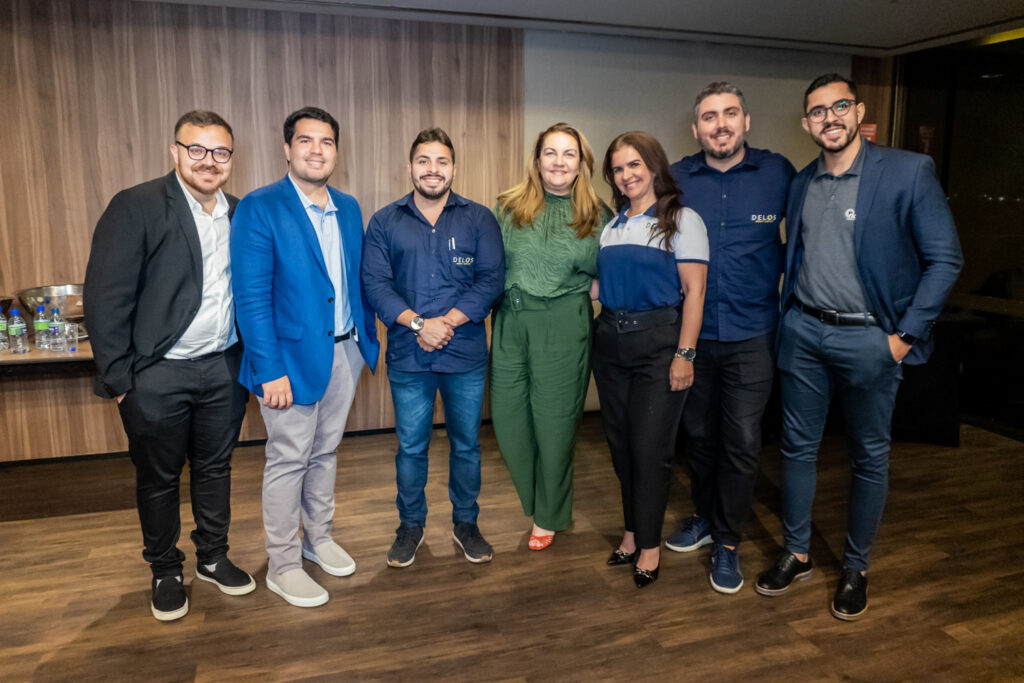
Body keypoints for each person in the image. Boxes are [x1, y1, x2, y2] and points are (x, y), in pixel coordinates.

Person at [754, 74, 962, 620]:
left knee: (868, 456)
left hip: (871, 339)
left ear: (858, 110)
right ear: (807, 124)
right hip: (803, 332)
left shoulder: (907, 172)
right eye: (818, 111)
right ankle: (796, 553)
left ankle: (855, 567)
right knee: (796, 450)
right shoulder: (801, 182)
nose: (830, 118)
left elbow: (946, 260)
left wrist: (902, 339)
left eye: (839, 106)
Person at [84, 110, 254, 622]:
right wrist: (120, 380)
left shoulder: (242, 213)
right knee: (157, 477)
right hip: (156, 374)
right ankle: (164, 569)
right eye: (197, 149)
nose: (209, 161)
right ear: (175, 151)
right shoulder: (135, 206)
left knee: (215, 467)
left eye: (220, 152)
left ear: (231, 159)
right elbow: (105, 296)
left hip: (224, 368)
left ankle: (213, 555)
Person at [230, 107, 380, 608]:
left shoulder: (349, 207)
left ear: (337, 150)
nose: (317, 150)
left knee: (326, 452)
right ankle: (283, 563)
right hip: (288, 362)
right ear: (287, 149)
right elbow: (250, 297)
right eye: (306, 141)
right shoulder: (260, 206)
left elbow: (355, 281)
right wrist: (268, 369)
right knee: (288, 459)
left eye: (327, 142)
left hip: (344, 353)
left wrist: (365, 342)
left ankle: (318, 538)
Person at [666, 82, 796, 594]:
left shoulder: (778, 173)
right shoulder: (676, 178)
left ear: (746, 121)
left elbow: (803, 242)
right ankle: (703, 515)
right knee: (699, 437)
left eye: (729, 114)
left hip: (752, 334)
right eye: (708, 116)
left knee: (741, 441)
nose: (719, 124)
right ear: (696, 128)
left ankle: (727, 542)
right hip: (692, 334)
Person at [362, 127, 504, 568]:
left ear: (454, 168)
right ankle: (410, 526)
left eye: (441, 161)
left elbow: (490, 281)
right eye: (424, 160)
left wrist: (448, 323)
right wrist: (422, 324)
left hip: (463, 356)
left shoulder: (479, 219)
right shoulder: (385, 222)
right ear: (410, 167)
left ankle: (466, 523)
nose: (432, 169)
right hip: (409, 356)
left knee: (466, 445)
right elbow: (376, 285)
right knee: (411, 447)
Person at [593, 131, 708, 588]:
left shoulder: (681, 219)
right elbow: (602, 288)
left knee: (649, 451)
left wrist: (685, 354)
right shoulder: (612, 225)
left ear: (654, 167)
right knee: (622, 450)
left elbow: (695, 292)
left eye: (635, 165)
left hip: (659, 346)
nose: (626, 175)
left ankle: (650, 545)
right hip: (611, 344)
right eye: (619, 169)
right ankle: (631, 532)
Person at [490, 123, 611, 551]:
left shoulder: (599, 215)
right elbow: (491, 269)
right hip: (511, 319)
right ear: (536, 159)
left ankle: (550, 513)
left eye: (569, 154)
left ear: (582, 164)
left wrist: (583, 289)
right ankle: (537, 498)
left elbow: (611, 277)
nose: (559, 162)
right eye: (550, 152)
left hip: (564, 325)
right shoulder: (507, 206)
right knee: (507, 419)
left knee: (555, 426)